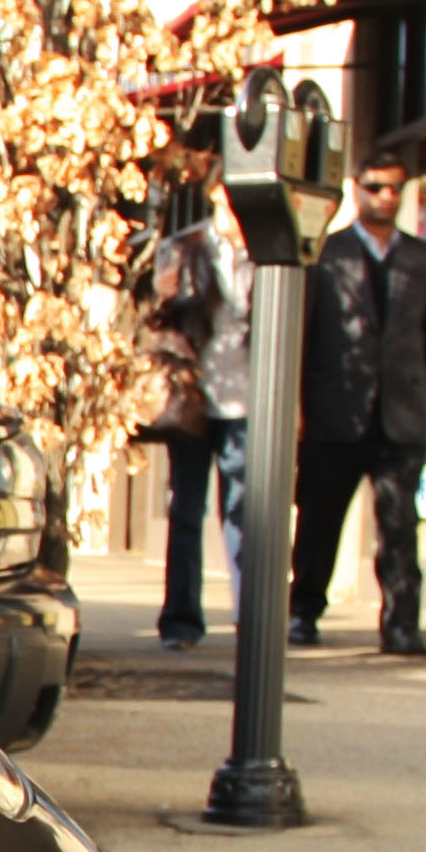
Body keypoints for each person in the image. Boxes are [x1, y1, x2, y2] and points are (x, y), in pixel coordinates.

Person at [290, 155, 426, 656]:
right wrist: (296, 404)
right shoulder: (325, 252)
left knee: (401, 525)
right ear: (357, 189)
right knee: (320, 522)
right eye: (376, 187)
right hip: (334, 412)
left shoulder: (424, 258)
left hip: (402, 412)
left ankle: (402, 624)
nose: (386, 196)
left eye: (395, 189)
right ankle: (303, 613)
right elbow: (302, 330)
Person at [132, 214, 251, 648]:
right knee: (187, 510)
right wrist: (161, 297)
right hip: (194, 400)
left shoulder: (262, 248)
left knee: (243, 512)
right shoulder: (187, 248)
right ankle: (181, 622)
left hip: (246, 400)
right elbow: (152, 320)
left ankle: (251, 619)